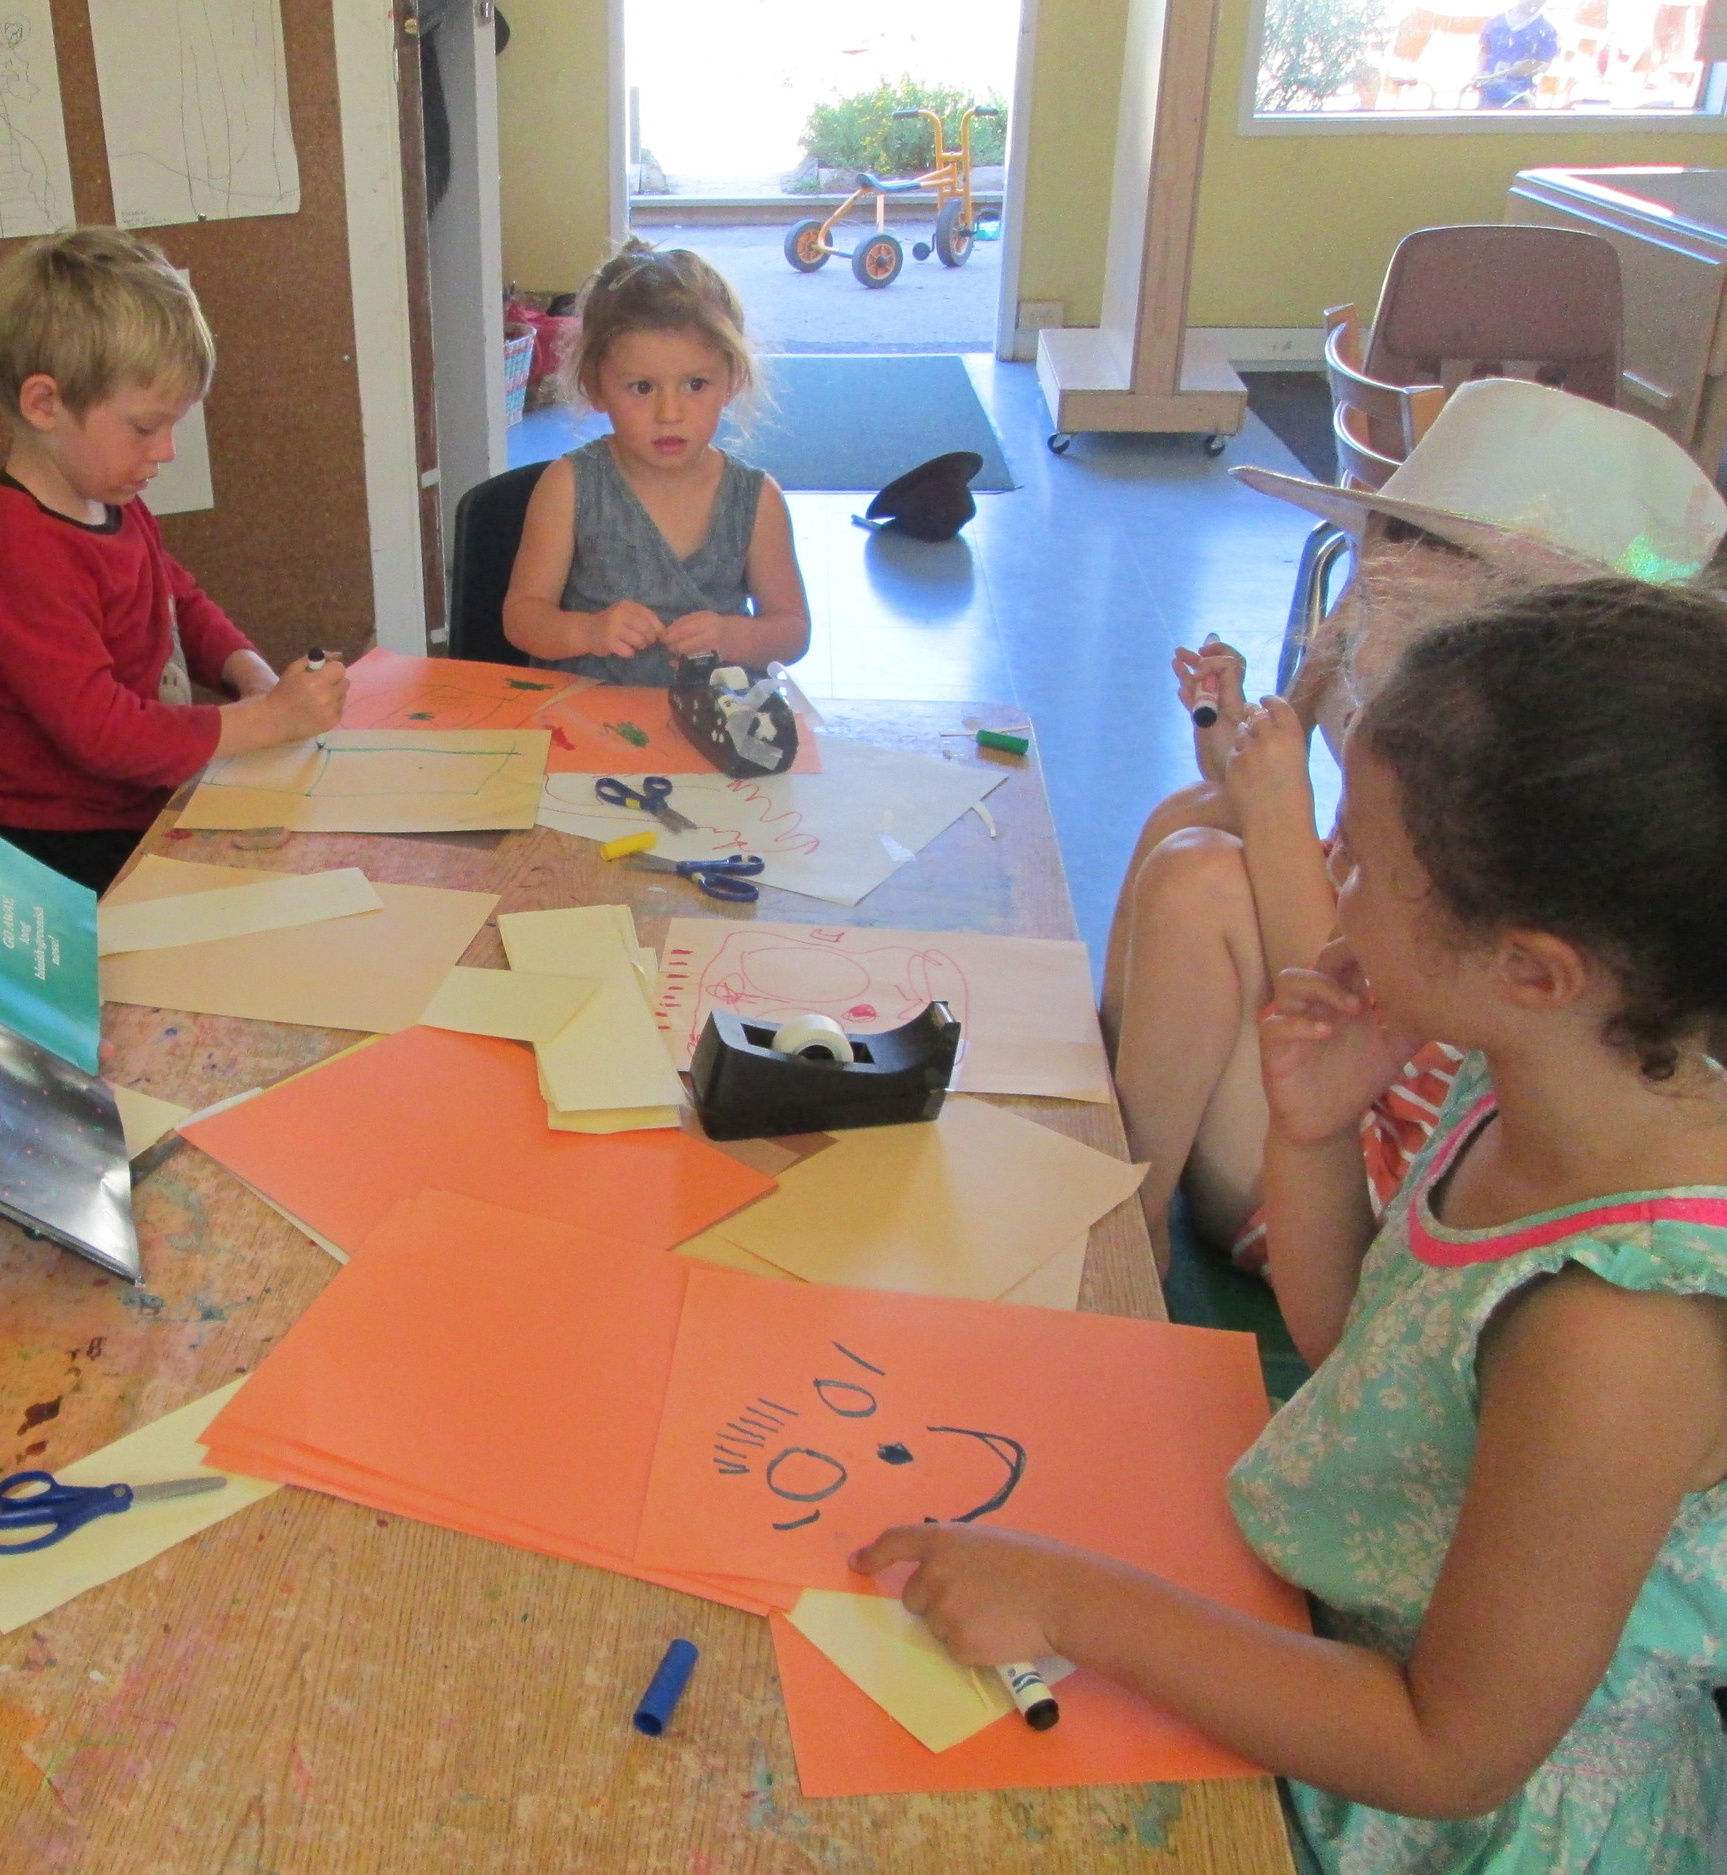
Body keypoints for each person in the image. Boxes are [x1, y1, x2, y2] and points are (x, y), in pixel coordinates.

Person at [866, 577, 1727, 1872]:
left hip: (1461, 1824)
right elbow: (1362, 1353)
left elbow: (1451, 1748)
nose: (1331, 879)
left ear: (1535, 965)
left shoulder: (1618, 1330)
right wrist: (1316, 1132)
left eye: (1367, 861)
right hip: (1325, 1624)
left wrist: (1071, 1598)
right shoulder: (1541, 1079)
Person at [1102, 377, 1727, 1274]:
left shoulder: (1544, 847)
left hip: (1369, 1174)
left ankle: (1130, 1227)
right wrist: (1244, 772)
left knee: (1203, 870)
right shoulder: (1482, 760)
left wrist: (1276, 809)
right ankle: (1113, 1118)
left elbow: (1363, 978)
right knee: (1199, 814)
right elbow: (1364, 889)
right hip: (1346, 1102)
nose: (1367, 619)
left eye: (1406, 596)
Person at [0, 229, 347, 894]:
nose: (163, 452)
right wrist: (267, 719)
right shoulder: (22, 551)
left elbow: (176, 597)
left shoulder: (103, 493)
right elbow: (105, 734)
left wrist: (245, 671)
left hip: (138, 801)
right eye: (144, 427)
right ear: (45, 404)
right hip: (64, 848)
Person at [502, 241, 809, 685]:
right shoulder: (569, 486)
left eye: (695, 384)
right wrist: (587, 630)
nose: (670, 413)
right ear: (597, 386)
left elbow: (791, 631)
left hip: (716, 725)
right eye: (642, 388)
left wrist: (732, 635)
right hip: (589, 726)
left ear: (732, 380)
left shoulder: (755, 499)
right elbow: (523, 619)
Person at [1479, 0, 1560, 107]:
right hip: (1490, 92)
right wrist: (1479, 74)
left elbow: (1546, 63)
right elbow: (1484, 50)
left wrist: (1527, 68)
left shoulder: (1545, 29)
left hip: (1521, 96)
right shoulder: (1495, 21)